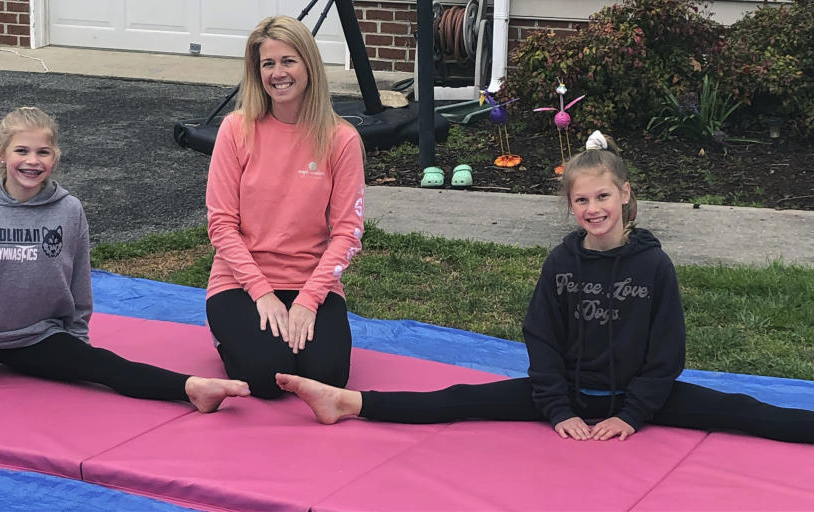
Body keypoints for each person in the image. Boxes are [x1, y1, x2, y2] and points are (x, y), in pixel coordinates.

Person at [277, 131, 814, 444]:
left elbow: (667, 352)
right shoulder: (561, 262)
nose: (594, 209)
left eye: (603, 197)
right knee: (463, 398)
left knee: (743, 410)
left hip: (639, 399)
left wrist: (632, 415)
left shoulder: (655, 267)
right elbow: (542, 339)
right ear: (570, 206)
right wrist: (558, 408)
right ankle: (349, 402)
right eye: (581, 201)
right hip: (569, 397)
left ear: (625, 195)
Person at [0, 107, 249, 412]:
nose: (32, 160)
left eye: (43, 151)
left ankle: (192, 388)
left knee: (102, 367)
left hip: (34, 335)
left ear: (55, 156)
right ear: (1, 154)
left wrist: (76, 335)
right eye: (21, 150)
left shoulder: (69, 209)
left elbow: (78, 275)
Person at [205, 15, 365, 399]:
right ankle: (226, 337)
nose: (278, 73)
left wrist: (309, 301)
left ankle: (281, 334)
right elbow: (221, 225)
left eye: (288, 61)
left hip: (311, 281)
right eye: (268, 64)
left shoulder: (341, 139)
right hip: (241, 283)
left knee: (327, 378)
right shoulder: (235, 129)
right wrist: (262, 293)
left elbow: (348, 233)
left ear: (308, 64)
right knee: (267, 377)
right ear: (256, 71)